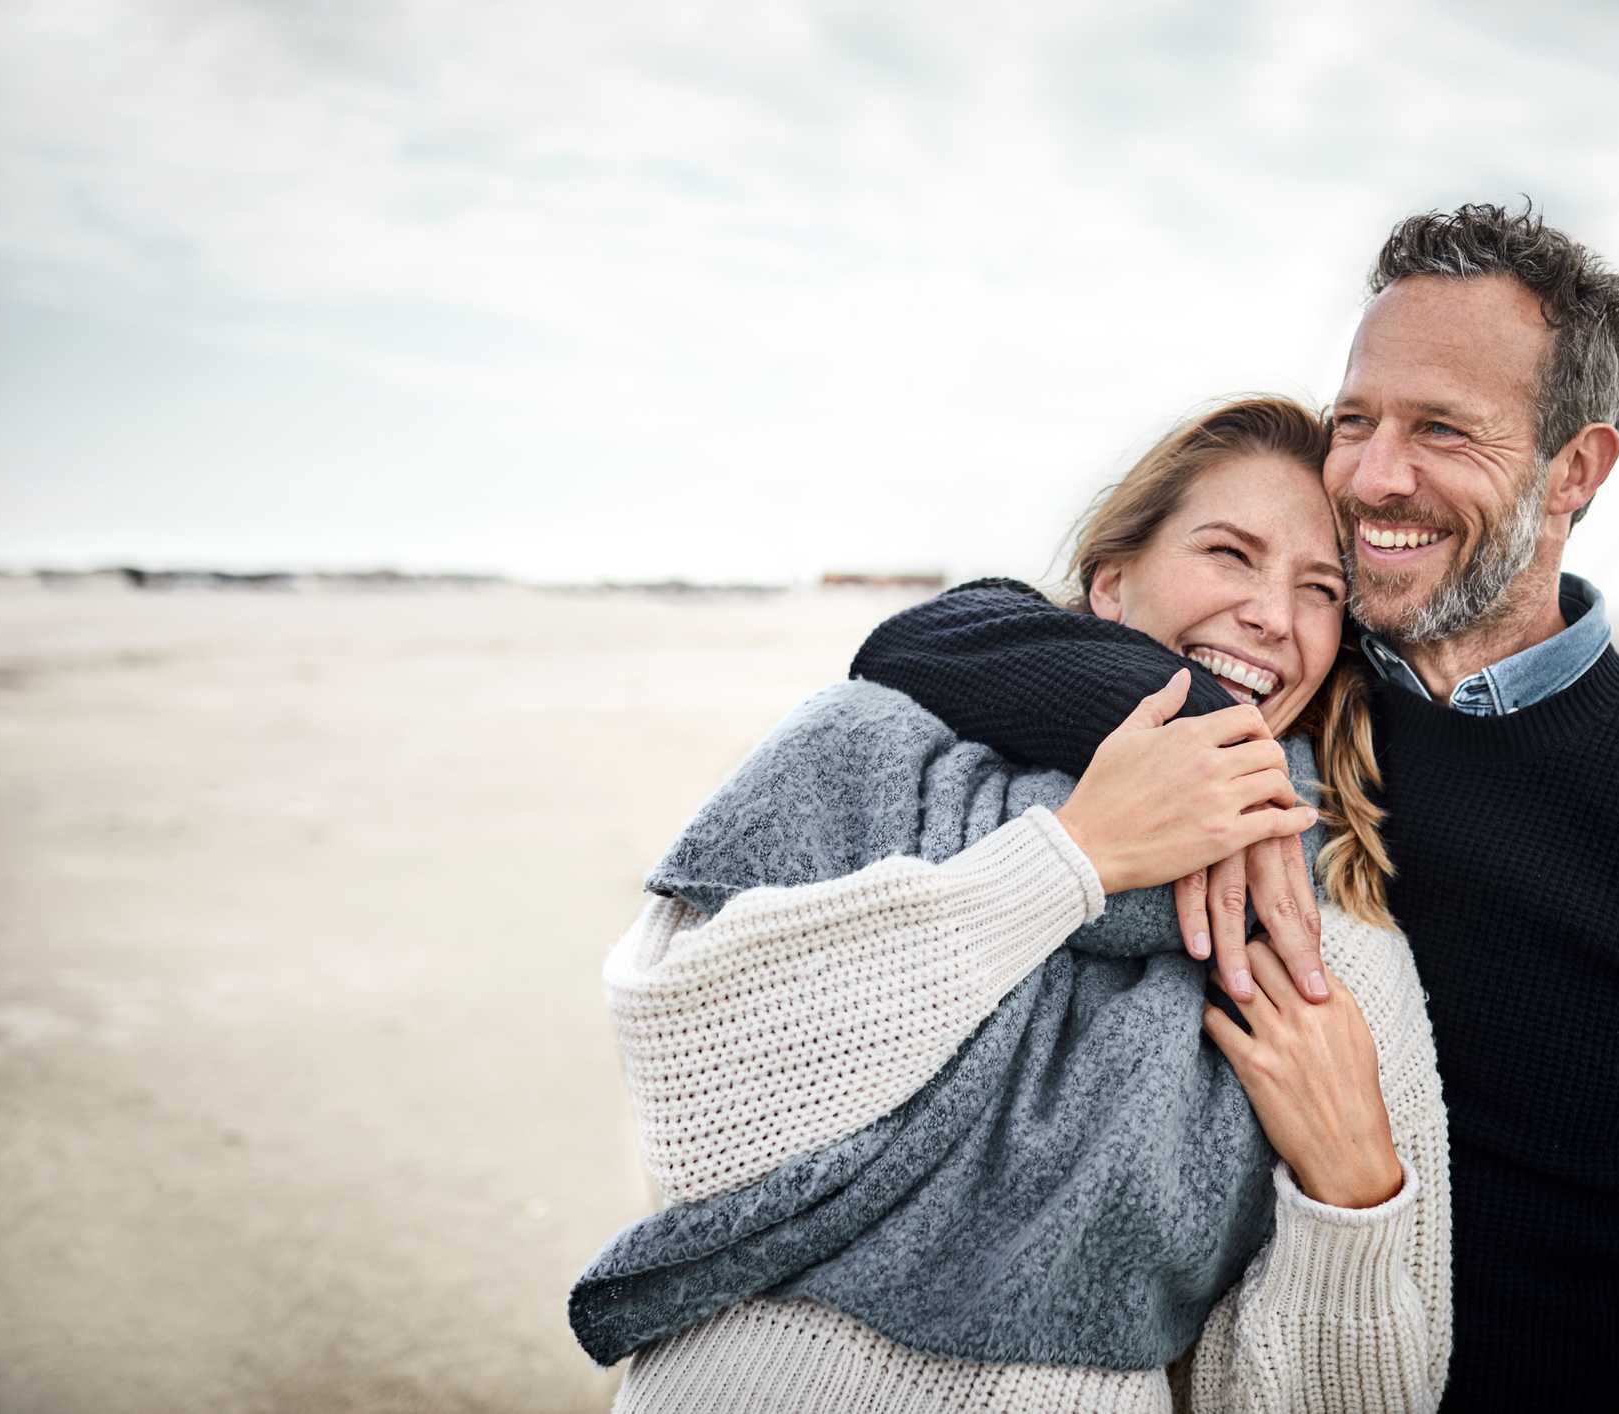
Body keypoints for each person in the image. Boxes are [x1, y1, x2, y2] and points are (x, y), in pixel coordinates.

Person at [852, 203, 1619, 1412]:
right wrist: (1191, 725)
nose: (1375, 476)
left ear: (1575, 470)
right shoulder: (1290, 689)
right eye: (1356, 421)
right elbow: (930, 635)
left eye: (1443, 429)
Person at [581, 397, 1452, 1412]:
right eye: (1229, 553)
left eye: (1321, 589)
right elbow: (693, 1100)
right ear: (1113, 583)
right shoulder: (864, 748)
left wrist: (1352, 1200)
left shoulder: (1322, 931)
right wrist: (1073, 860)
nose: (1271, 613)